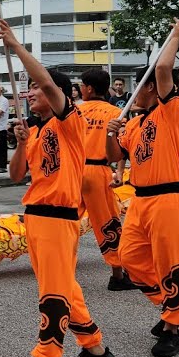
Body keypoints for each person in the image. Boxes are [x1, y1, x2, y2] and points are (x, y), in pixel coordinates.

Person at [0, 22, 117, 357]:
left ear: (61, 95)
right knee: (65, 287)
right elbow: (17, 175)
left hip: (58, 218)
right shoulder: (35, 131)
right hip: (35, 216)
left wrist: (16, 45)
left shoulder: (72, 122)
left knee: (52, 291)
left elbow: (50, 84)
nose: (32, 92)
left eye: (36, 88)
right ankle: (96, 351)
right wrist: (19, 144)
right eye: (30, 87)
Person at [106, 17, 179, 357]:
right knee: (129, 258)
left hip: (171, 197)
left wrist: (175, 34)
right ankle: (176, 306)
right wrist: (111, 132)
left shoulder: (171, 112)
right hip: (141, 200)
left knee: (173, 263)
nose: (137, 90)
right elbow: (115, 154)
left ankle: (173, 328)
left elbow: (162, 70)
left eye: (142, 85)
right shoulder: (134, 123)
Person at [77, 69, 131, 290]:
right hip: (98, 171)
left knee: (67, 222)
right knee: (108, 222)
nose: (80, 89)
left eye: (81, 85)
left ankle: (58, 270)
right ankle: (117, 274)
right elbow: (122, 148)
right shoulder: (115, 113)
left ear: (89, 88)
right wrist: (118, 171)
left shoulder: (75, 111)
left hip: (73, 172)